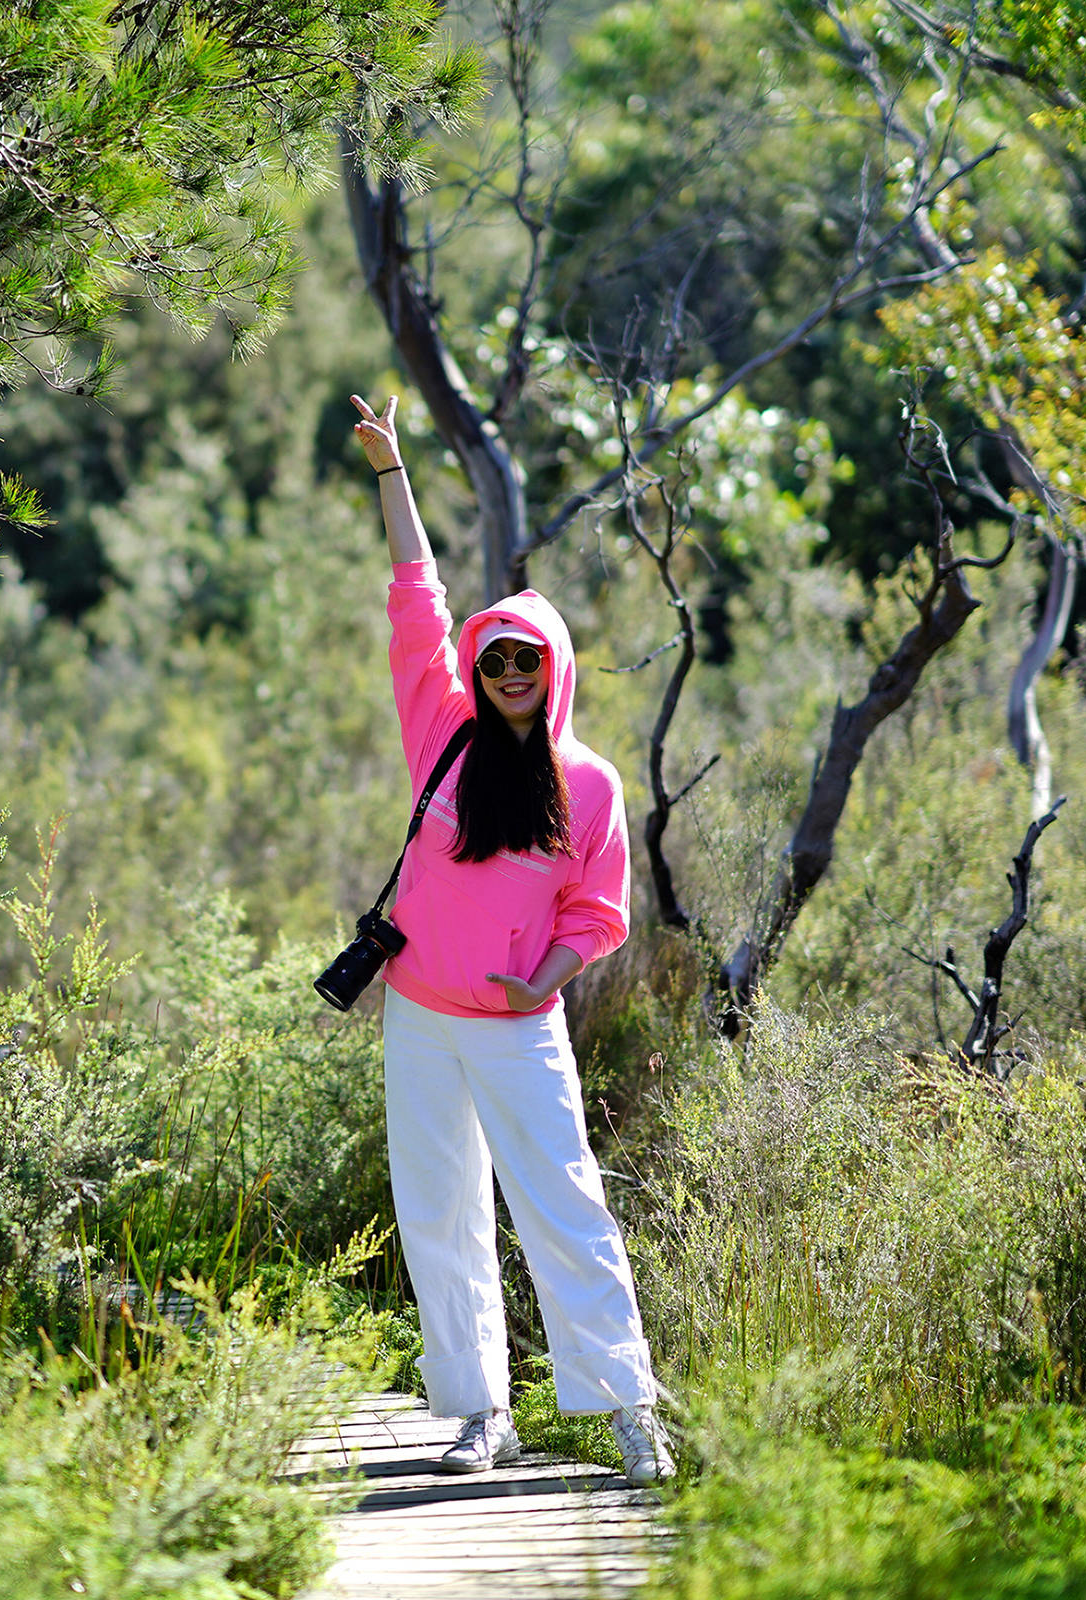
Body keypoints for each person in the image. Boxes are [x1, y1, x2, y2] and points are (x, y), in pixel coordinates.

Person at [349, 393, 675, 1487]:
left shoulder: (589, 784)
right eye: (495, 663)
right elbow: (415, 602)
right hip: (422, 1016)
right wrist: (393, 473)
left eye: (527, 663)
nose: (509, 678)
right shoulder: (442, 733)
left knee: (565, 1208)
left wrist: (540, 977)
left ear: (555, 668)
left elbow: (597, 914)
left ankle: (631, 1411)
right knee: (438, 1214)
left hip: (520, 1025)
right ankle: (479, 1414)